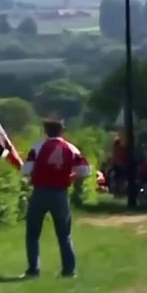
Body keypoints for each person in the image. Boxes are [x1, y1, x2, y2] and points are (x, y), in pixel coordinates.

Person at [21, 118, 91, 278]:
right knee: (64, 233)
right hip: (60, 193)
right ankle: (69, 270)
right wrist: (71, 175)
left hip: (40, 191)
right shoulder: (71, 148)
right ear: (62, 131)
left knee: (33, 233)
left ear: (46, 131)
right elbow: (85, 170)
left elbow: (26, 170)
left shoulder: (38, 147)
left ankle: (33, 269)